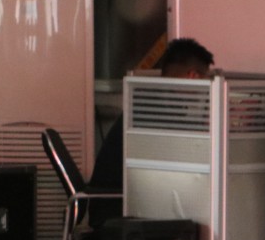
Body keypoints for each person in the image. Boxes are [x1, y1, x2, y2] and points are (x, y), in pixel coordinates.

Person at [88, 37, 215, 229]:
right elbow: (184, 156)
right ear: (193, 76)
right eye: (205, 78)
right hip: (121, 210)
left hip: (125, 203)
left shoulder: (151, 99)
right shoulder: (158, 109)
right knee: (198, 219)